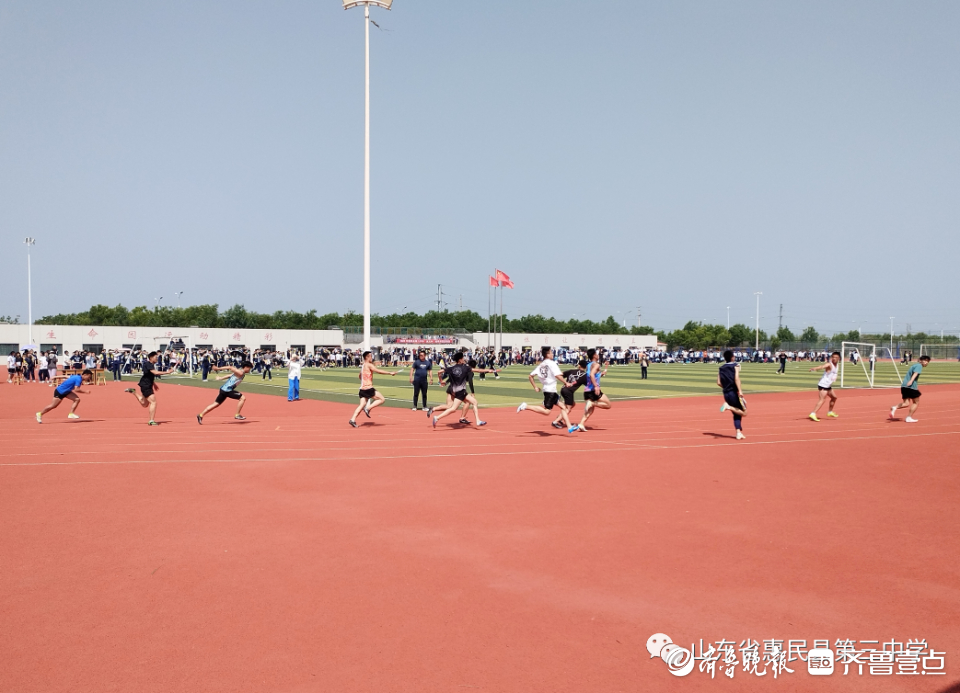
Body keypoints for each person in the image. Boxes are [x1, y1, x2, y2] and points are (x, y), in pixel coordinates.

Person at [517, 347, 577, 433]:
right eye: (551, 353)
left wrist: (535, 387)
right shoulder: (552, 364)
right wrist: (566, 383)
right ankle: (525, 406)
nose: (552, 354)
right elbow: (557, 375)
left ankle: (569, 427)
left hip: (549, 390)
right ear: (547, 354)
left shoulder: (541, 365)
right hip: (550, 391)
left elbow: (530, 376)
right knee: (547, 412)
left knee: (564, 407)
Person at [431, 352, 496, 427]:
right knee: (453, 409)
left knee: (474, 402)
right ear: (460, 360)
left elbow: (439, 372)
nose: (464, 359)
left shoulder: (451, 368)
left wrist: (441, 381)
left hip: (457, 391)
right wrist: (488, 370)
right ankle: (437, 418)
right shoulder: (465, 368)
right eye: (462, 358)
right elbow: (477, 370)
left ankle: (478, 420)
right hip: (460, 392)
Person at [349, 351, 402, 428]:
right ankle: (368, 408)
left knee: (361, 405)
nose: (372, 357)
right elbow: (378, 371)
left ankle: (352, 419)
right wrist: (390, 373)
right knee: (382, 399)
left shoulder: (363, 366)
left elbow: (360, 376)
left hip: (362, 389)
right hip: (368, 388)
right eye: (370, 356)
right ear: (367, 357)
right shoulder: (369, 365)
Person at [124, 351, 176, 425]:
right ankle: (151, 420)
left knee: (144, 404)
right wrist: (168, 372)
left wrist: (154, 384)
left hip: (146, 385)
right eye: (156, 357)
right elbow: (155, 372)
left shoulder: (150, 364)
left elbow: (148, 375)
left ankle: (133, 392)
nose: (157, 358)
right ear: (151, 358)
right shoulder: (148, 364)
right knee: (153, 402)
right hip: (145, 385)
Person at [576, 349, 613, 431]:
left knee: (590, 410)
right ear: (594, 355)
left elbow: (591, 374)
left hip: (587, 390)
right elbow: (592, 375)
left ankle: (581, 424)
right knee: (608, 405)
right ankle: (592, 403)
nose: (597, 355)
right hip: (593, 390)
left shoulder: (589, 365)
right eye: (596, 354)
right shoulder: (596, 365)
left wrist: (601, 374)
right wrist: (596, 386)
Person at [891, 354, 930, 423]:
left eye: (928, 361)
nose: (926, 362)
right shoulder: (919, 366)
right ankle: (908, 417)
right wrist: (911, 381)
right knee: (916, 402)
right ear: (920, 360)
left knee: (906, 403)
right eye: (925, 361)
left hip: (904, 386)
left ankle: (895, 407)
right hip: (911, 386)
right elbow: (915, 373)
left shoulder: (914, 365)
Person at [717, 349, 747, 440]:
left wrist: (726, 388)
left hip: (726, 393)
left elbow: (718, 382)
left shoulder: (721, 368)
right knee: (744, 413)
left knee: (736, 413)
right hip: (734, 392)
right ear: (732, 357)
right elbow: (736, 378)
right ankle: (728, 407)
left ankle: (738, 432)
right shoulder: (736, 365)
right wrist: (740, 391)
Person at [552, 359, 587, 429]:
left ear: (579, 365)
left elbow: (560, 374)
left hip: (563, 389)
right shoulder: (584, 375)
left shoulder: (571, 371)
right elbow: (589, 383)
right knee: (568, 408)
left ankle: (560, 417)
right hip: (569, 391)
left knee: (572, 404)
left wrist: (565, 382)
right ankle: (556, 421)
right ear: (586, 367)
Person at [808, 351, 841, 421]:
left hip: (828, 385)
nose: (834, 359)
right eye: (833, 357)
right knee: (822, 399)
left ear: (839, 358)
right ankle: (813, 413)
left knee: (834, 397)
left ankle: (830, 412)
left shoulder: (837, 365)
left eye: (836, 357)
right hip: (823, 385)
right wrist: (815, 368)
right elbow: (822, 366)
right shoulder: (829, 364)